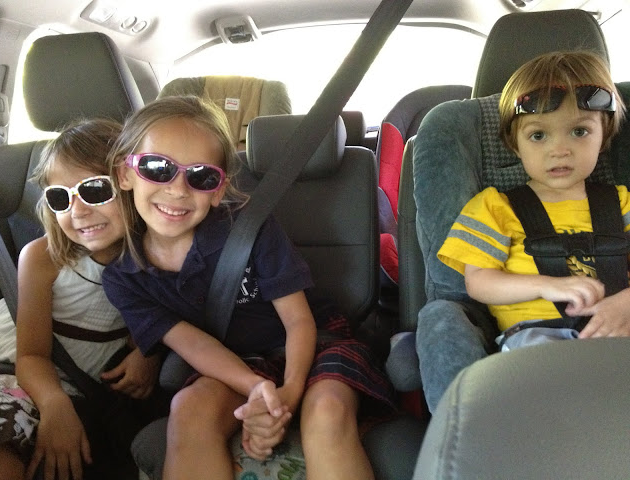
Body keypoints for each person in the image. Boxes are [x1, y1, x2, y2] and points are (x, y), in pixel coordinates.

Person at [101, 95, 396, 480]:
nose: (177, 190)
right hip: (237, 361)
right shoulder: (125, 277)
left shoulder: (247, 228)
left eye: (201, 177)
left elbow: (298, 321)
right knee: (188, 410)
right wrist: (257, 388)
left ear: (218, 189)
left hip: (316, 344)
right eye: (157, 168)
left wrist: (289, 393)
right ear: (125, 173)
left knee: (327, 411)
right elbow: (195, 346)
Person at [422, 50, 630, 410]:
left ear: (604, 134)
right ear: (513, 143)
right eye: (538, 135)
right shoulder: (495, 208)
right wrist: (547, 285)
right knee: (547, 399)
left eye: (579, 131)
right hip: (537, 338)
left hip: (618, 331)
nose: (559, 150)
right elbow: (479, 282)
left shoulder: (622, 203)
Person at [0, 118, 167, 480]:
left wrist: (149, 353)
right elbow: (30, 355)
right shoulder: (43, 259)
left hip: (80, 388)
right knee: (3, 448)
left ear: (132, 185)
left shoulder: (161, 259)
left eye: (95, 190)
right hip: (10, 369)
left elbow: (170, 317)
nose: (78, 210)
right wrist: (55, 405)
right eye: (60, 197)